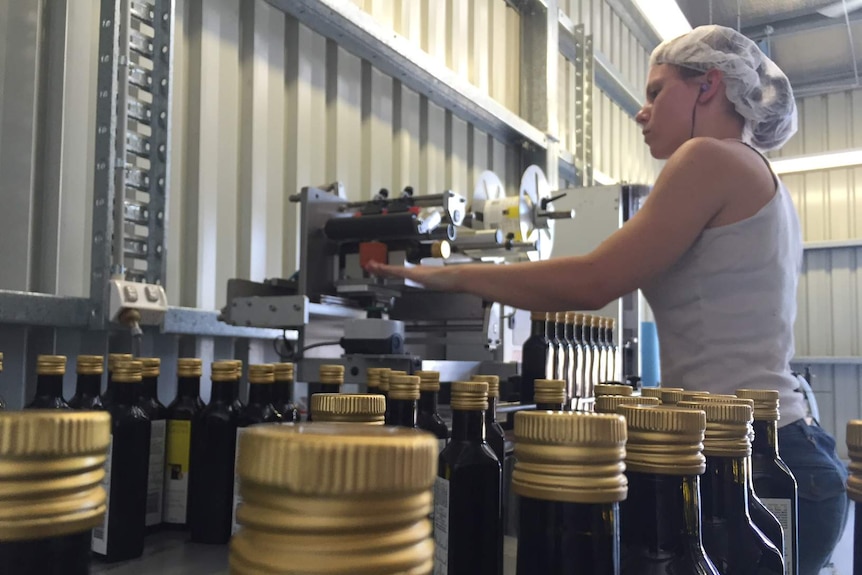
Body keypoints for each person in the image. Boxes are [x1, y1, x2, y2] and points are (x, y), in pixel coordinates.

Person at [367, 25, 849, 574]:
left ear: (709, 86)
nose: (641, 113)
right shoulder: (760, 178)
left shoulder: (709, 158)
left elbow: (593, 281)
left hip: (756, 464)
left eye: (656, 92)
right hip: (777, 451)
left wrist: (450, 276)